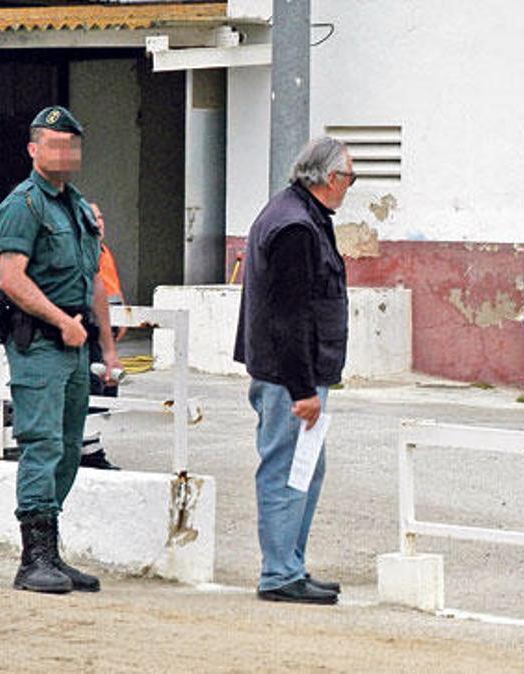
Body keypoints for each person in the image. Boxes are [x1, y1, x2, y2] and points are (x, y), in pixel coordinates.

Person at [0, 105, 121, 594]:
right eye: (53, 143)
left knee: (69, 449)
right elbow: (11, 279)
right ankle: (34, 559)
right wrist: (62, 322)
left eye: (71, 144)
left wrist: (107, 350)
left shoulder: (79, 208)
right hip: (40, 344)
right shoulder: (23, 206)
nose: (64, 152)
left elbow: (93, 283)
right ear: (33, 149)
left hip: (74, 346)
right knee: (42, 446)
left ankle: (53, 553)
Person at [234, 136, 353, 605]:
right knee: (286, 468)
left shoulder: (299, 215)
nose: (349, 186)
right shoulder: (296, 226)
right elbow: (288, 314)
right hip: (291, 377)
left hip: (298, 373)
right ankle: (280, 573)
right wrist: (303, 387)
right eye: (349, 177)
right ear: (328, 179)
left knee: (307, 468)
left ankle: (291, 566)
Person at [80, 202, 125, 470]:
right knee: (92, 390)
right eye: (93, 217)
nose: (99, 222)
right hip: (88, 335)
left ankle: (91, 447)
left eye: (101, 216)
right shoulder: (83, 252)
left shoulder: (103, 251)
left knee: (106, 390)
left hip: (104, 336)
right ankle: (89, 452)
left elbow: (112, 292)